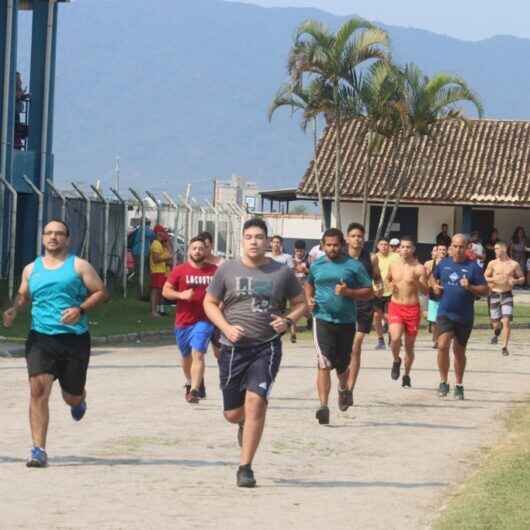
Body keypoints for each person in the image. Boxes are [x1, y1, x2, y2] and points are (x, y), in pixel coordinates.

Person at [204, 218, 306, 488]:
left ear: (268, 241)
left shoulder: (281, 272)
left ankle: (245, 467)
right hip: (232, 348)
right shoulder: (227, 269)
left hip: (267, 345)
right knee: (233, 414)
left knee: (256, 402)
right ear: (242, 240)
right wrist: (225, 326)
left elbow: (300, 304)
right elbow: (210, 302)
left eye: (259, 237)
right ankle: (241, 423)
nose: (254, 241)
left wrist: (288, 320)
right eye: (249, 237)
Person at [3, 220, 108, 468]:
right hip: (41, 338)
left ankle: (79, 399)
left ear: (67, 240)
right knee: (38, 391)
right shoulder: (31, 269)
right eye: (49, 233)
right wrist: (14, 309)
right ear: (42, 238)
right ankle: (38, 449)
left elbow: (101, 291)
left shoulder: (79, 265)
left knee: (70, 396)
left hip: (74, 339)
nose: (53, 237)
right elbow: (24, 293)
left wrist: (80, 309)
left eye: (59, 234)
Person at [305, 228, 372, 423]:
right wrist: (309, 298)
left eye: (336, 245)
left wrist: (349, 292)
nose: (332, 248)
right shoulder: (317, 265)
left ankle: (344, 389)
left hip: (346, 321)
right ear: (323, 245)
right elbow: (309, 283)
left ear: (342, 245)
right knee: (324, 362)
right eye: (328, 245)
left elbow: (369, 291)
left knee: (342, 365)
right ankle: (323, 406)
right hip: (322, 318)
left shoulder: (354, 266)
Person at [433, 234, 489, 400]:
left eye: (461, 246)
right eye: (455, 246)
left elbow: (486, 291)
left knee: (459, 351)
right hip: (445, 313)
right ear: (451, 247)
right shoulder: (443, 264)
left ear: (467, 248)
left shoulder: (473, 268)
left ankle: (459, 384)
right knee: (442, 345)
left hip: (464, 316)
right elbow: (432, 277)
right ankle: (443, 382)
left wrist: (470, 286)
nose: (458, 249)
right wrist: (434, 286)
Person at [162, 237, 217, 402]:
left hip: (206, 319)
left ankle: (194, 390)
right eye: (194, 248)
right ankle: (190, 381)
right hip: (184, 321)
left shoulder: (214, 271)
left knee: (198, 353)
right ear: (188, 251)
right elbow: (165, 291)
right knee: (186, 356)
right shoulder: (180, 270)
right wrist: (181, 295)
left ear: (206, 251)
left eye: (201, 248)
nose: (198, 251)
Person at [345, 223, 383, 402]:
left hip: (364, 305)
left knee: (355, 346)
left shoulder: (371, 257)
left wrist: (379, 288)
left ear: (364, 238)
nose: (357, 239)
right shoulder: (340, 257)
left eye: (360, 236)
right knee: (343, 350)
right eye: (353, 236)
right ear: (347, 238)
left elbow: (377, 278)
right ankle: (342, 384)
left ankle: (350, 389)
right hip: (342, 305)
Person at [386, 237, 429, 387]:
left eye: (408, 247)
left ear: (413, 249)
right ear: (398, 249)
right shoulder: (393, 264)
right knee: (395, 337)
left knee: (409, 346)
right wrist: (390, 285)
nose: (404, 250)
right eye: (402, 247)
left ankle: (406, 374)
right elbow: (388, 279)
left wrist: (416, 280)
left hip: (412, 309)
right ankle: (396, 359)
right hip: (396, 306)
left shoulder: (419, 268)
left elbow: (425, 290)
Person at [484, 241, 525, 355]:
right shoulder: (492, 263)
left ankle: (504, 347)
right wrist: (494, 279)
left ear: (504, 249)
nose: (495, 250)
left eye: (497, 248)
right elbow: (485, 277)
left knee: (506, 321)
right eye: (495, 249)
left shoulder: (514, 264)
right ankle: (497, 332)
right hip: (494, 295)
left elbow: (522, 278)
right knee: (496, 323)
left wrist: (515, 281)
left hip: (507, 295)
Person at [373, 238, 400, 349]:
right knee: (376, 316)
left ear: (389, 246)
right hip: (377, 290)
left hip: (391, 291)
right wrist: (373, 288)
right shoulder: (374, 257)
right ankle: (380, 340)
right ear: (378, 246)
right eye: (381, 244)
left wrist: (395, 283)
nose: (384, 246)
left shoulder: (395, 257)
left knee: (389, 316)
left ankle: (391, 337)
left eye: (386, 244)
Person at [425, 245, 447, 348]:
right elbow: (424, 277)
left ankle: (441, 339)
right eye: (440, 250)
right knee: (434, 320)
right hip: (433, 294)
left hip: (446, 295)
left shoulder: (449, 263)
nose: (442, 251)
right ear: (436, 251)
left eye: (444, 250)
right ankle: (435, 339)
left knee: (443, 319)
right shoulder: (429, 264)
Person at [149, 225, 173, 318]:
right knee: (155, 291)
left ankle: (158, 310)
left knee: (160, 291)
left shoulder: (161, 244)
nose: (164, 235)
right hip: (156, 271)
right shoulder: (155, 244)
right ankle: (153, 311)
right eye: (162, 233)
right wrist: (167, 257)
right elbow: (156, 259)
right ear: (158, 234)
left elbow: (168, 257)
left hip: (162, 271)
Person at [131, 219, 156, 299]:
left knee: (138, 271)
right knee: (143, 272)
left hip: (136, 251)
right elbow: (153, 235)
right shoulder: (144, 229)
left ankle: (138, 290)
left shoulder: (139, 229)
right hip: (141, 252)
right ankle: (141, 291)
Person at [292, 239, 311, 339]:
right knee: (294, 306)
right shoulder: (291, 258)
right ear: (294, 250)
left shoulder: (309, 259)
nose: (299, 253)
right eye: (297, 251)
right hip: (293, 286)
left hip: (305, 286)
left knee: (306, 308)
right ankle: (293, 328)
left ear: (304, 250)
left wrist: (305, 270)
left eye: (301, 251)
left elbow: (312, 273)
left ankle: (310, 320)